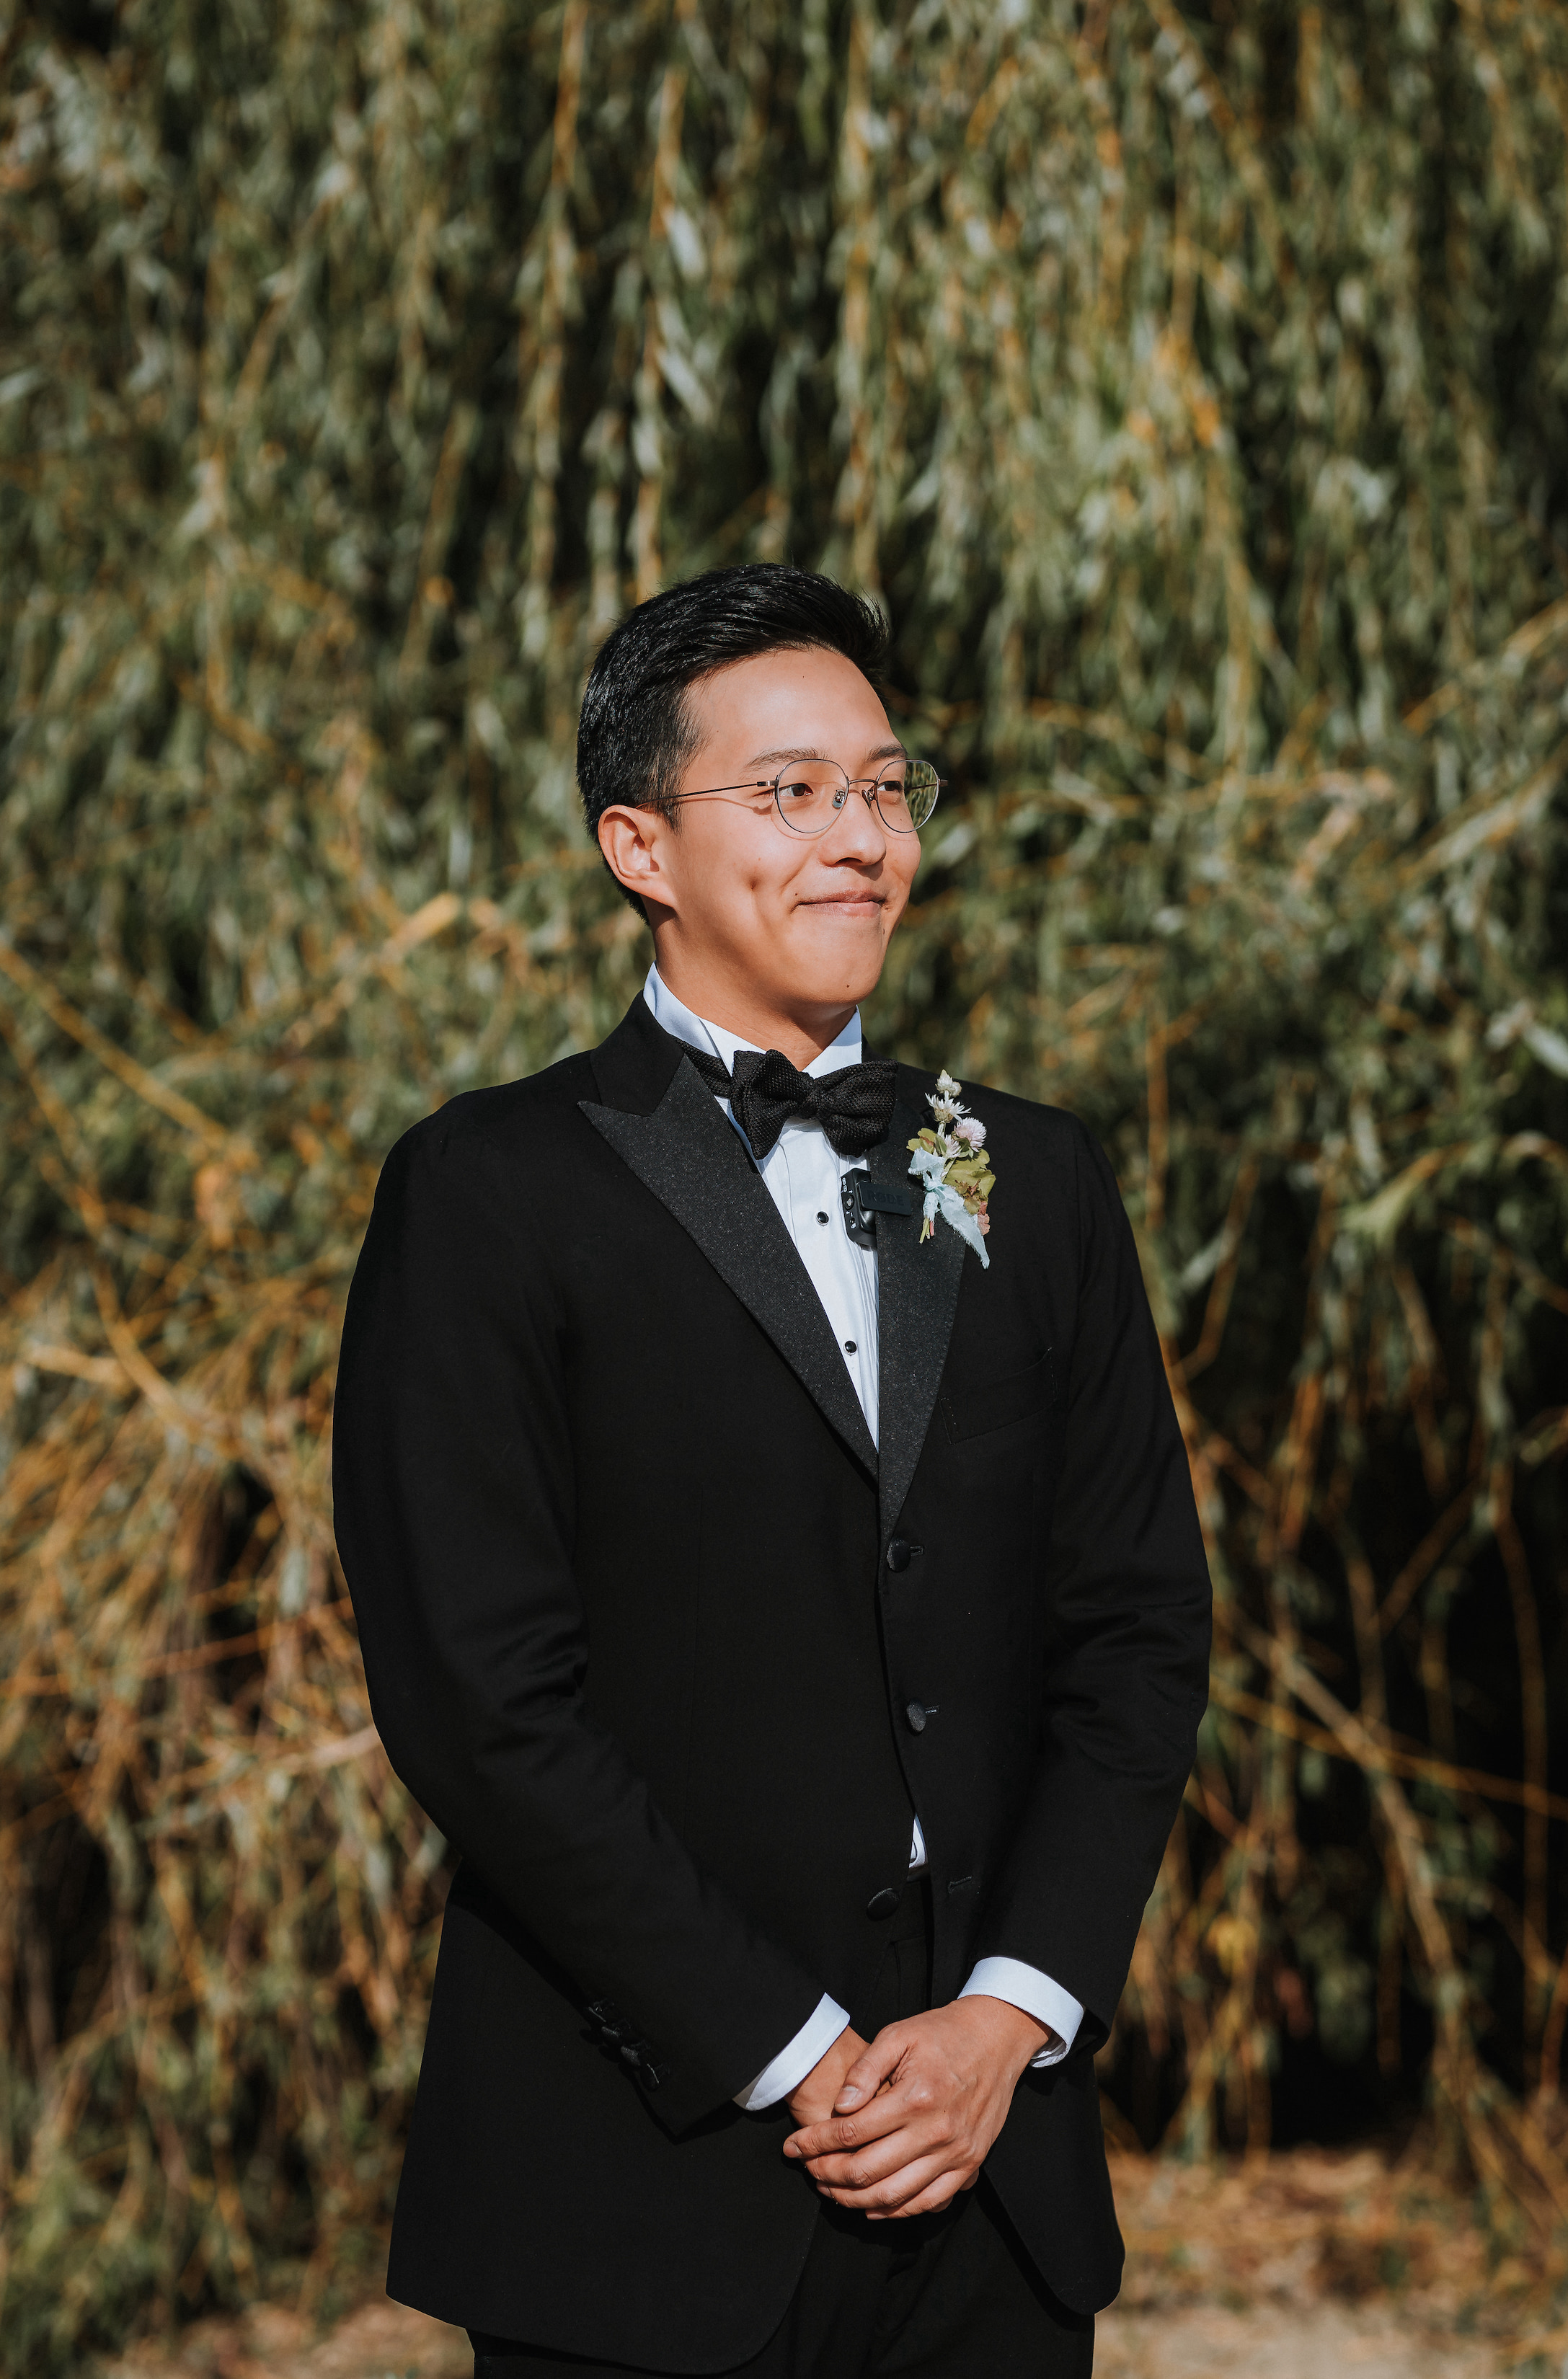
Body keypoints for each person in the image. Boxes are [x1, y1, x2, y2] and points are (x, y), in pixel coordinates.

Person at [332, 564, 1212, 2379]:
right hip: (643, 2182)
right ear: (638, 845)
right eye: (791, 791)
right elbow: (482, 1699)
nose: (860, 839)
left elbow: (1134, 1632)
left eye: (886, 789)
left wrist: (1008, 2016)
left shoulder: (1028, 1177)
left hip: (992, 2177)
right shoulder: (490, 1191)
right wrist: (794, 2049)